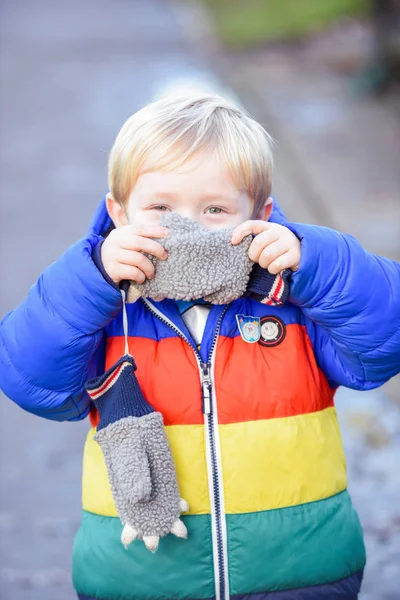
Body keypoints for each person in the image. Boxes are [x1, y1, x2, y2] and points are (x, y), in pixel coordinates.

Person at [1, 94, 399, 600]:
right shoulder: (106, 309)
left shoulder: (291, 301)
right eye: (161, 208)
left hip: (301, 572)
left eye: (214, 209)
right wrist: (90, 281)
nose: (183, 226)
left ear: (260, 215)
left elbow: (384, 343)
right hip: (141, 578)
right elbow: (31, 380)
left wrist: (316, 265)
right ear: (118, 215)